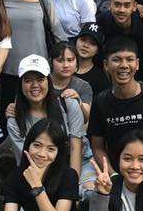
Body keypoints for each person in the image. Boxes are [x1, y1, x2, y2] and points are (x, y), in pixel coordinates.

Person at [88, 36, 143, 182]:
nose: (124, 65)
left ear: (137, 64)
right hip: (119, 178)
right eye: (117, 60)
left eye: (129, 59)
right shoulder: (100, 101)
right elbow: (98, 147)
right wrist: (113, 177)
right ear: (106, 65)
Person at [6, 54, 94, 195]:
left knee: (88, 194)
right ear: (20, 86)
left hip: (79, 163)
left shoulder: (68, 104)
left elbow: (75, 147)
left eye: (40, 79)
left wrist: (72, 187)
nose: (35, 85)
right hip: (40, 169)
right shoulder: (14, 120)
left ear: (49, 81)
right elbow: (26, 160)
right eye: (28, 81)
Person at [0, 0, 66, 112]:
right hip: (8, 72)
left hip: (39, 72)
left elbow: (59, 36)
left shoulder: (43, 1)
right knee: (10, 115)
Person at [98, 0, 143, 80]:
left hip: (142, 74)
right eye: (117, 5)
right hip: (112, 73)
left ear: (134, 6)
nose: (122, 10)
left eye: (127, 5)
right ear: (110, 5)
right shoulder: (102, 21)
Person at [49, 41, 93, 121]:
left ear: (76, 61)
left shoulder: (83, 86)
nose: (66, 65)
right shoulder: (43, 82)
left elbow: (86, 118)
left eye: (70, 60)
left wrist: (79, 101)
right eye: (60, 60)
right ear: (51, 62)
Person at [74, 21, 109, 95]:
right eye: (83, 40)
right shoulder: (65, 67)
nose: (86, 45)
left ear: (98, 50)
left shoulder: (100, 78)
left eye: (92, 43)